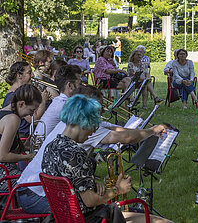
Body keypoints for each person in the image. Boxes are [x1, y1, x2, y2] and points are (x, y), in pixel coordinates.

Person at [17, 85, 170, 216]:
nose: (93, 132)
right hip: (50, 203)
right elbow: (89, 201)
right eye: (92, 126)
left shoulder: (56, 142)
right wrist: (118, 189)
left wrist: (88, 185)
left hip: (48, 197)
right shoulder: (75, 153)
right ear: (84, 122)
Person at [0, 85, 42, 192]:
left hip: (4, 171)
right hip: (3, 175)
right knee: (38, 182)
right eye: (32, 110)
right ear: (21, 104)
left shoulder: (3, 112)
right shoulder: (13, 119)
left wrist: (24, 146)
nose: (32, 114)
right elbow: (3, 156)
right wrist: (28, 157)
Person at [34, 64, 82, 138]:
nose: (82, 87)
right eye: (80, 84)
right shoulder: (64, 105)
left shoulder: (59, 101)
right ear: (70, 85)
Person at [2, 61, 49, 137]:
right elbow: (34, 120)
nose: (33, 75)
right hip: (23, 136)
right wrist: (43, 101)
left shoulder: (20, 93)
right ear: (19, 75)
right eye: (29, 73)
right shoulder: (14, 96)